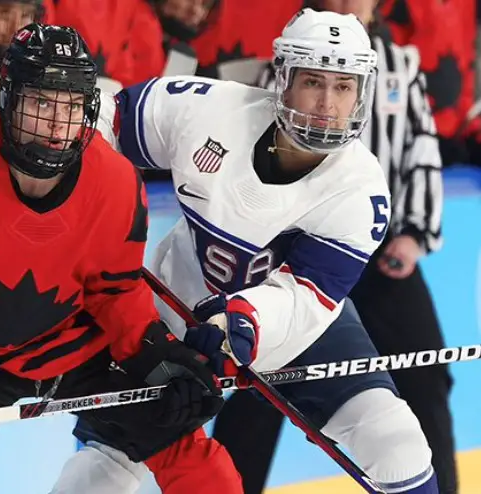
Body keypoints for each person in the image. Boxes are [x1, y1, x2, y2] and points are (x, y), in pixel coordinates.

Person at [56, 8, 441, 493]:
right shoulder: (206, 109)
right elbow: (106, 123)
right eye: (313, 82)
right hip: (177, 317)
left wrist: (238, 325)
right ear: (283, 79)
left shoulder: (362, 191)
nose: (327, 103)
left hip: (300, 331)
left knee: (396, 444)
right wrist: (67, 183)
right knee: (103, 471)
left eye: (343, 87)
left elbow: (305, 297)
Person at [0, 23, 241, 494]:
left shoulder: (116, 182)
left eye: (72, 105)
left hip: (80, 351)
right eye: (41, 102)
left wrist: (154, 350)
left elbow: (114, 290)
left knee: (193, 456)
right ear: (8, 99)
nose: (58, 124)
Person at [217, 1, 454, 493]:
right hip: (292, 260)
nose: (348, 4)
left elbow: (423, 150)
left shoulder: (403, 64)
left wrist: (414, 234)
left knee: (426, 375)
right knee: (256, 390)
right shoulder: (289, 59)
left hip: (381, 253)